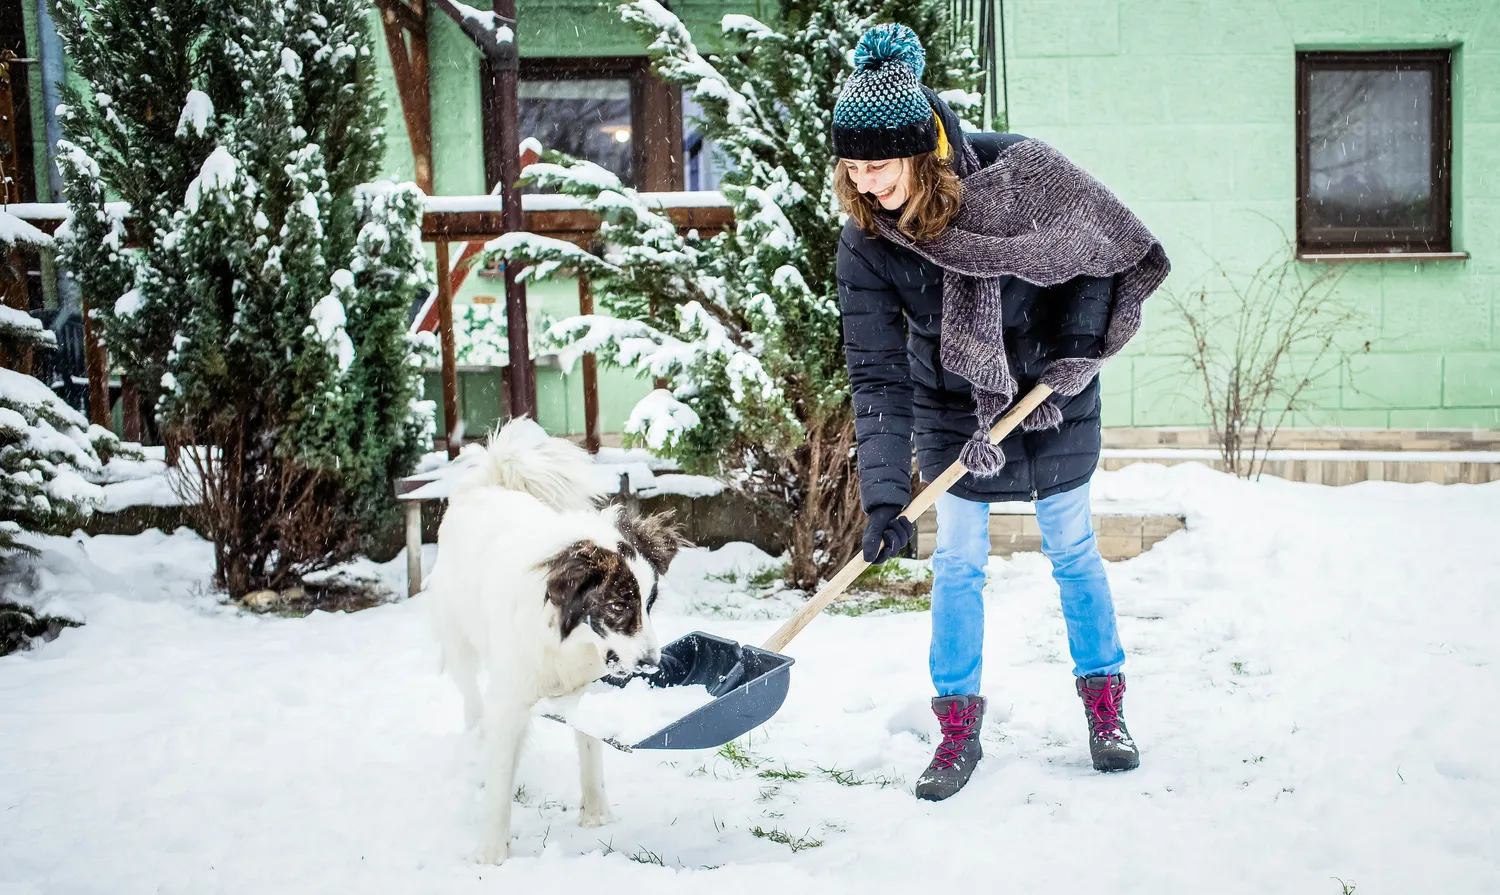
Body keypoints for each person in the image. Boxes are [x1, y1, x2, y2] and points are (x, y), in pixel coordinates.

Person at [831, 24, 1170, 801]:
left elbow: (1102, 245)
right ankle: (955, 727)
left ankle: (1106, 708)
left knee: (1073, 550)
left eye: (878, 166)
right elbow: (877, 372)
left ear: (921, 151)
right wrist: (885, 495)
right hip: (951, 402)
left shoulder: (1021, 171)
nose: (867, 183)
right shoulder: (868, 241)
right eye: (852, 168)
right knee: (956, 564)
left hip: (1054, 388)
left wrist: (1080, 342)